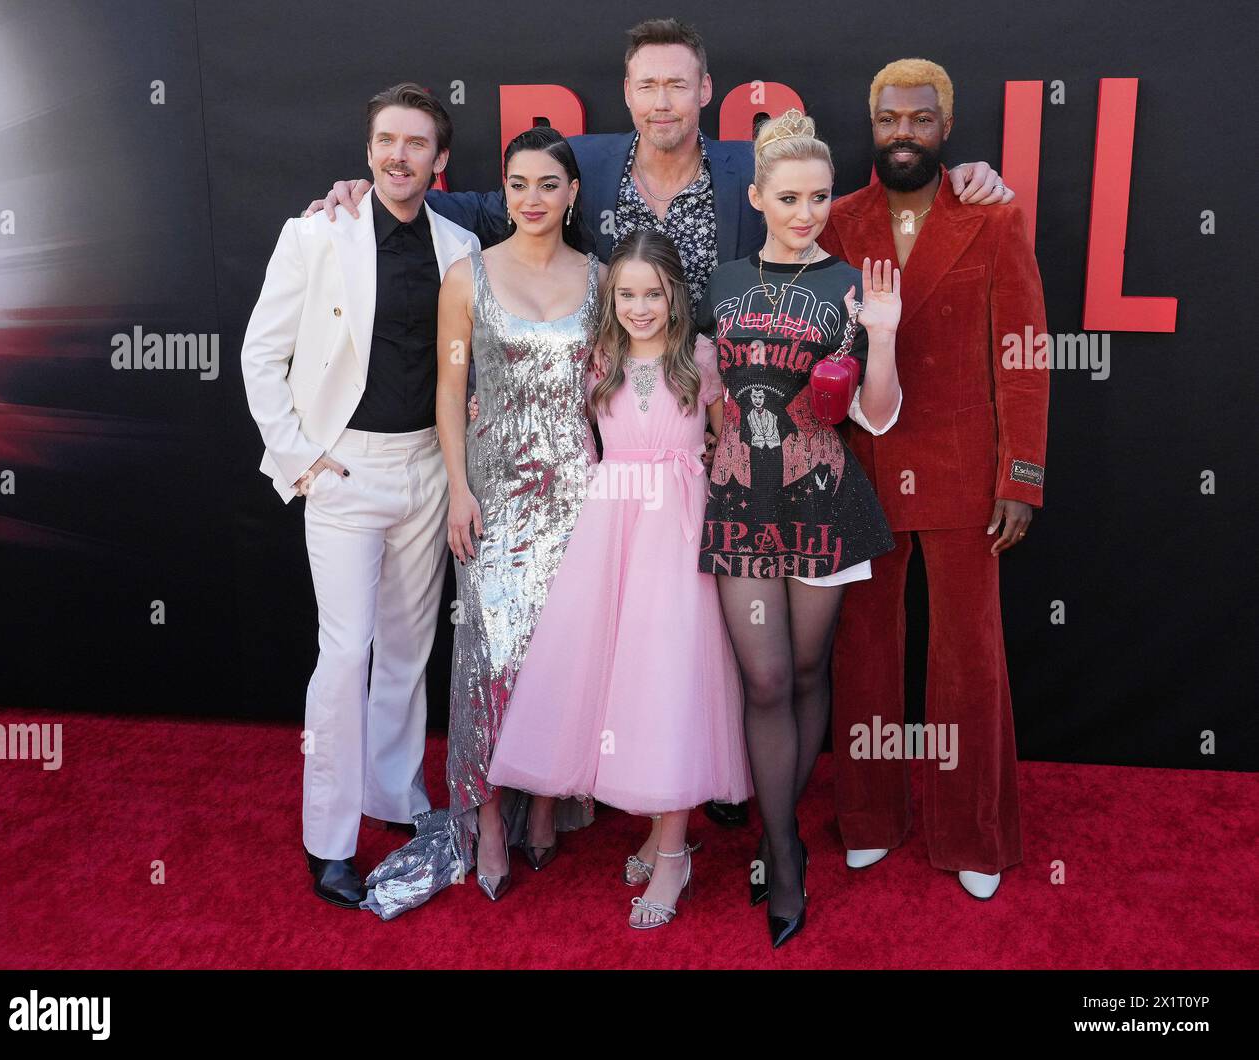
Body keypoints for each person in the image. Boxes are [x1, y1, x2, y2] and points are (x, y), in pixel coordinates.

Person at [305, 21, 1010, 830]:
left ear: (706, 90)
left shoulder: (757, 171)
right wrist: (380, 190)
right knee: (637, 628)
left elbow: (854, 197)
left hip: (740, 449)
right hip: (619, 450)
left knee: (718, 639)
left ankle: (733, 789)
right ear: (629, 93)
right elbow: (496, 200)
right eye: (647, 85)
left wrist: (964, 180)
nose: (662, 100)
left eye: (678, 84)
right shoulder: (590, 165)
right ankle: (611, 785)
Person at [240, 84, 479, 907]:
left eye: (417, 144)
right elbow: (258, 355)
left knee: (410, 651)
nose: (399, 156)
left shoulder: (459, 244)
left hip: (428, 467)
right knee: (344, 656)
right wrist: (301, 462)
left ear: (439, 160)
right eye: (386, 140)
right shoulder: (315, 234)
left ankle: (393, 794)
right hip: (344, 471)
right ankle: (329, 839)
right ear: (368, 147)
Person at [361, 126, 606, 919]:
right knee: (489, 661)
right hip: (494, 496)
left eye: (547, 184)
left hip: (577, 493)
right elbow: (447, 390)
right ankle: (490, 815)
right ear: (503, 193)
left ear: (572, 195)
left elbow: (613, 390)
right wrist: (459, 489)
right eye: (518, 184)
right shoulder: (467, 277)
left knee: (561, 659)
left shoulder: (603, 281)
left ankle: (546, 805)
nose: (530, 199)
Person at [821, 59, 1049, 901]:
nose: (903, 133)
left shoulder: (994, 216)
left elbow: (1023, 357)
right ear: (872, 125)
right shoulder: (838, 220)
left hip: (962, 470)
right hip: (863, 468)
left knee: (967, 658)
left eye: (920, 120)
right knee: (866, 651)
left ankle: (974, 833)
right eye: (888, 119)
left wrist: (1019, 474)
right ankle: (870, 818)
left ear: (945, 128)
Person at [486, 230, 752, 929]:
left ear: (676, 295)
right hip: (611, 535)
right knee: (622, 685)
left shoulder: (699, 360)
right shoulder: (600, 362)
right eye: (626, 294)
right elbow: (555, 428)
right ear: (610, 299)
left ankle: (673, 852)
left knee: (669, 684)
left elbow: (728, 449)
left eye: (654, 294)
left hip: (678, 535)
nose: (640, 306)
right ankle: (660, 830)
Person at [696, 109, 902, 947]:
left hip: (823, 497)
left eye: (819, 196)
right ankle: (781, 850)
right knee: (768, 681)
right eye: (788, 197)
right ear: (758, 196)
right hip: (745, 499)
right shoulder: (720, 283)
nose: (807, 212)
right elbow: (706, 397)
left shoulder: (853, 286)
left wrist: (881, 340)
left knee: (811, 668)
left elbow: (879, 420)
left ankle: (784, 830)